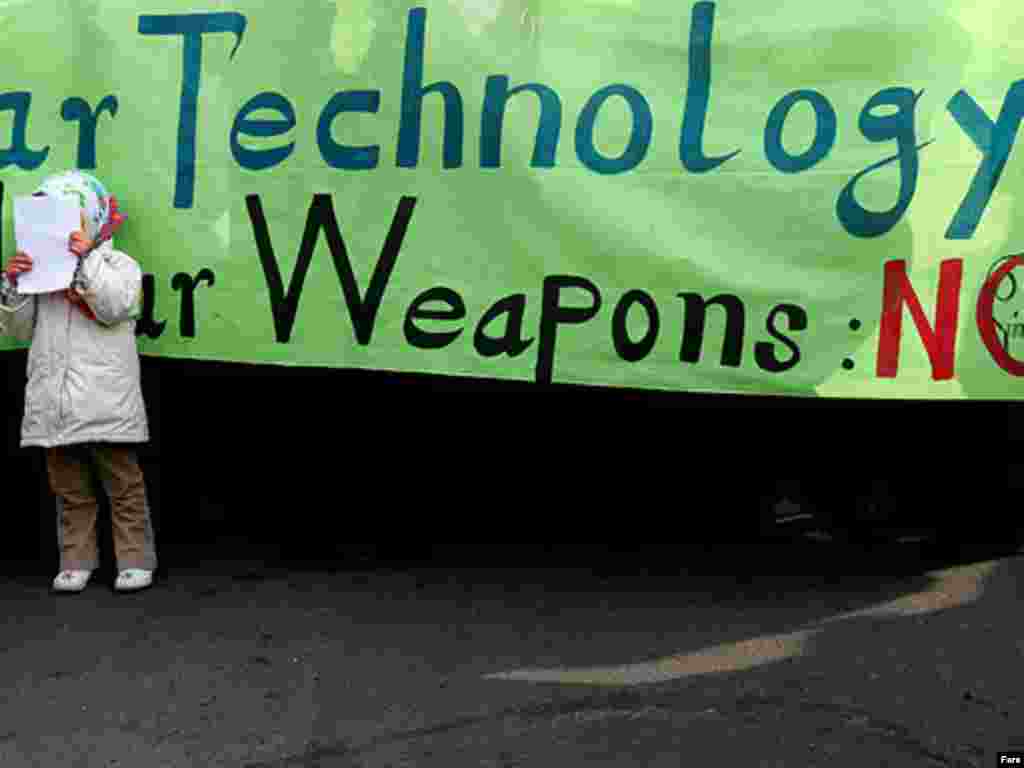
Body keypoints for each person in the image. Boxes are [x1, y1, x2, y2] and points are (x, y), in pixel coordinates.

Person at [0, 170, 156, 593]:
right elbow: (17, 331)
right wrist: (14, 287)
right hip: (56, 401)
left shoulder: (117, 264)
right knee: (69, 486)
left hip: (105, 399)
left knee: (122, 482)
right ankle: (76, 559)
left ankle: (135, 558)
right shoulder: (42, 274)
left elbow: (116, 305)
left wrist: (85, 260)